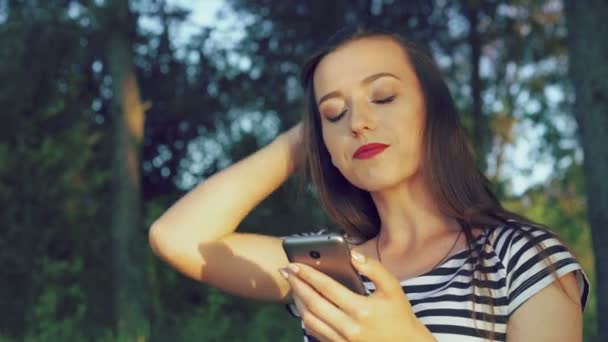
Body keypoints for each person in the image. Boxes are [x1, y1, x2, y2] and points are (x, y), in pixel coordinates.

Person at [148, 26, 589, 342]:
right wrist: (304, 137)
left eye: (383, 96)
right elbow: (178, 237)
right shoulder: (330, 269)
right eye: (335, 113)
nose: (358, 123)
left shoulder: (524, 257)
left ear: (433, 110)